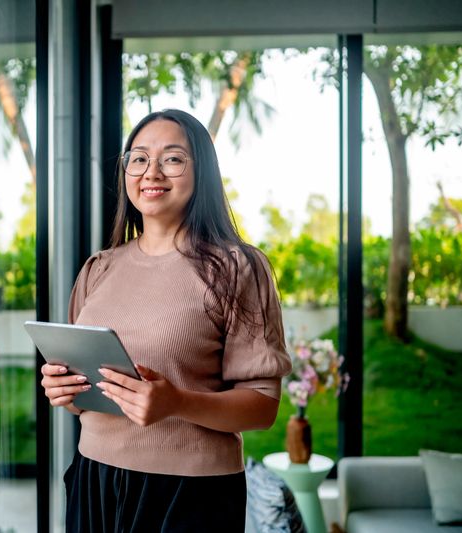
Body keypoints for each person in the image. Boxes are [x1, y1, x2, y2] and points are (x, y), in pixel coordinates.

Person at [40, 109, 292, 532]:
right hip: (94, 476)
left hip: (189, 492)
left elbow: (262, 406)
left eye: (172, 158)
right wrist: (65, 389)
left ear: (202, 172)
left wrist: (177, 402)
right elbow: (87, 390)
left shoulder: (237, 267)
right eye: (138, 158)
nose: (151, 171)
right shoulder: (98, 269)